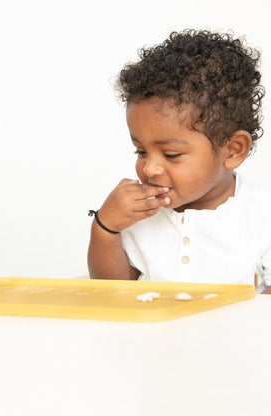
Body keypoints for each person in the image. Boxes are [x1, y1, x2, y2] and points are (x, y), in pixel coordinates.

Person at [88, 29, 271, 293]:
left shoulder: (262, 212)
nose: (149, 168)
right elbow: (113, 294)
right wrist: (106, 228)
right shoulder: (139, 213)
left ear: (232, 151)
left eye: (171, 155)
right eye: (140, 151)